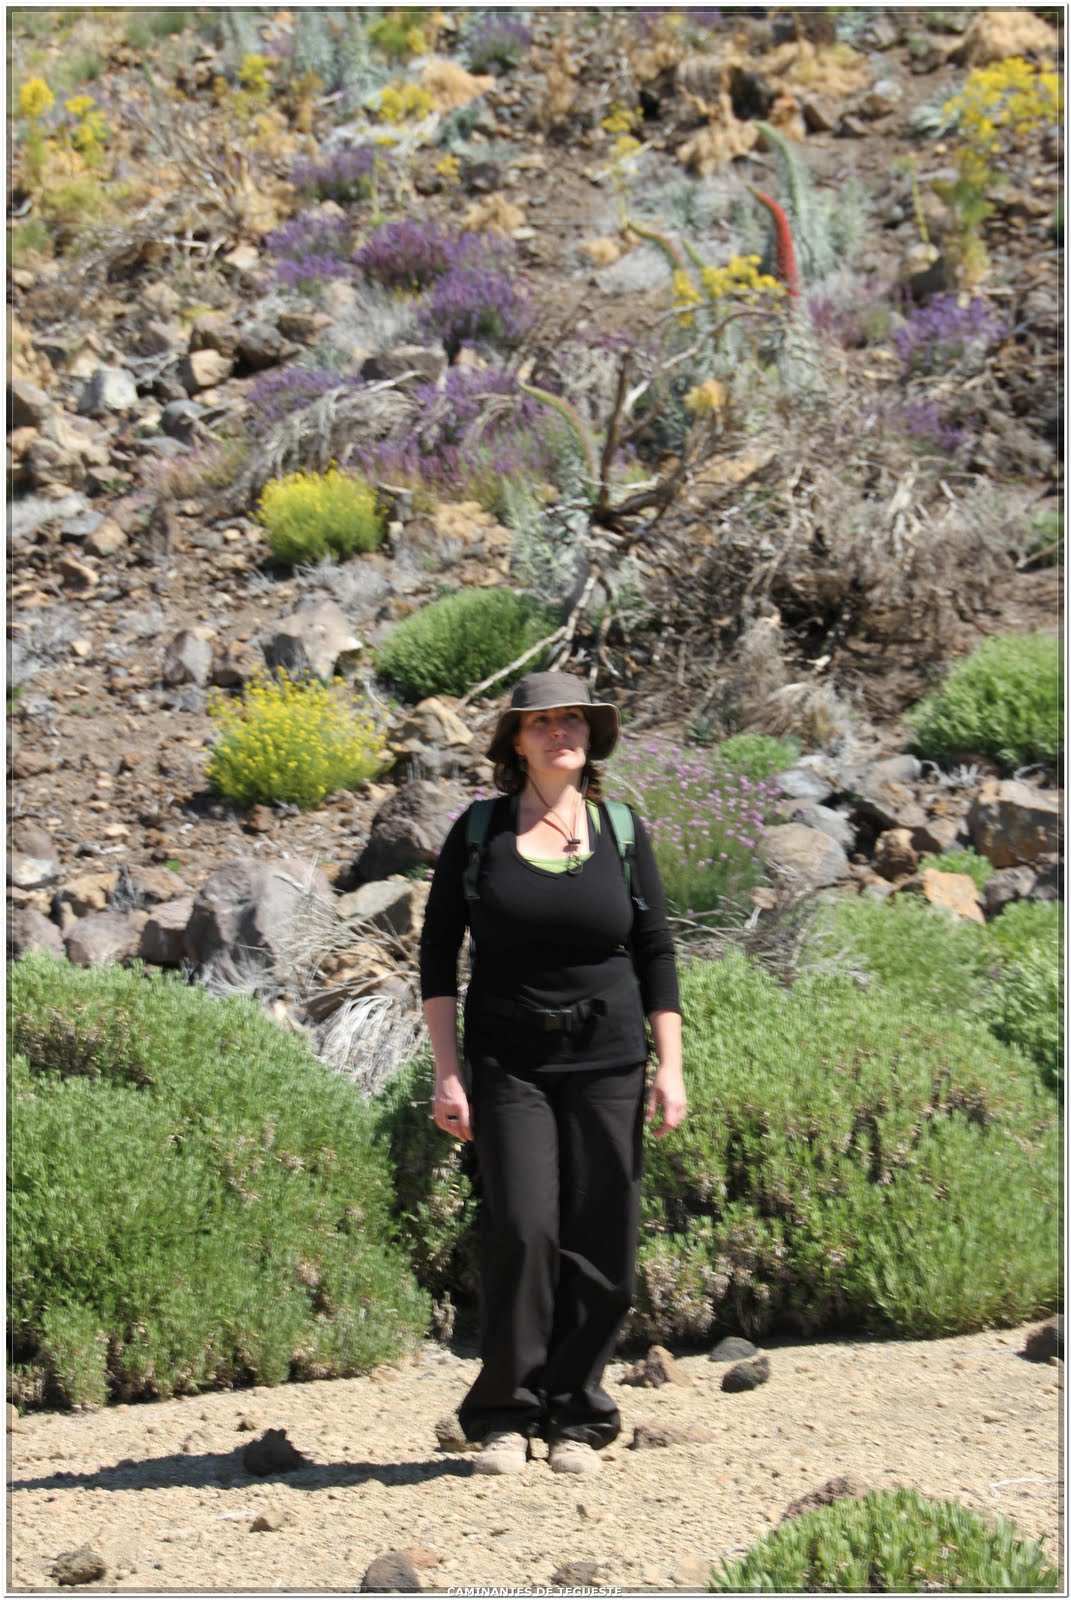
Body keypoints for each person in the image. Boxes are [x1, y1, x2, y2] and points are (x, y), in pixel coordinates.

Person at [419, 671, 686, 1477]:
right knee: (523, 1229)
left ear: (590, 737)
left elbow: (655, 951)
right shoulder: (479, 832)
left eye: (572, 719)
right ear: (515, 740)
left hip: (610, 1059)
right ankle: (505, 1416)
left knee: (602, 1235)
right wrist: (447, 1074)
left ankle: (577, 1415)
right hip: (510, 1062)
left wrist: (670, 1066)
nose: (558, 732)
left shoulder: (621, 829)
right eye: (540, 722)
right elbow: (437, 957)